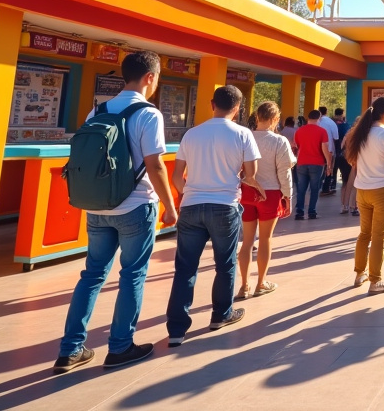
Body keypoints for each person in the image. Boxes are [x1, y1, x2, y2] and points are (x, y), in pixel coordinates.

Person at [53, 51, 175, 374]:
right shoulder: (150, 114)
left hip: (97, 206)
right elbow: (155, 164)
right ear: (150, 77)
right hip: (135, 207)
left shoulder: (100, 108)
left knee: (92, 275)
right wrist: (170, 206)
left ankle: (70, 349)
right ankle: (120, 346)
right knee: (132, 274)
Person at [166, 85, 264, 347]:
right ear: (238, 108)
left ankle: (176, 329)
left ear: (212, 104)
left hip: (191, 206)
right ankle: (221, 314)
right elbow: (251, 173)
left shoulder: (192, 134)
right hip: (224, 206)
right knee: (225, 263)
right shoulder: (243, 134)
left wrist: (189, 193)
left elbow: (177, 175)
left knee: (185, 268)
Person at [237, 101, 294, 300]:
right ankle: (261, 283)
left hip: (247, 192)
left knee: (247, 241)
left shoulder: (245, 137)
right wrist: (288, 195)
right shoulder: (279, 141)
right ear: (275, 118)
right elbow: (284, 171)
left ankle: (244, 285)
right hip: (270, 193)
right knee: (265, 239)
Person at [349, 96, 384, 294]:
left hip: (362, 190)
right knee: (379, 237)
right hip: (382, 190)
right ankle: (375, 280)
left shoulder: (360, 133)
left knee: (364, 234)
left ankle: (359, 273)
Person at [292, 110, 331, 220]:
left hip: (302, 163)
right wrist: (329, 164)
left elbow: (297, 146)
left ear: (308, 118)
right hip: (317, 163)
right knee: (314, 189)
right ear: (319, 118)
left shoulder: (299, 131)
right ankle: (312, 212)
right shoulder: (322, 131)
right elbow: (325, 148)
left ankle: (299, 212)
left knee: (301, 189)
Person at [318, 106, 340, 194]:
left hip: (317, 149)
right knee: (329, 168)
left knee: (319, 169)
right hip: (329, 149)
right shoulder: (331, 123)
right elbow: (336, 137)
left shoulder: (316, 122)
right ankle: (326, 188)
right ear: (326, 112)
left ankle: (317, 187)